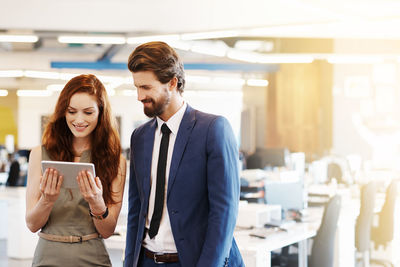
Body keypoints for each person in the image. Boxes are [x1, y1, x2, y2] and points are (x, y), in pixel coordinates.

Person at [124, 41, 244, 267]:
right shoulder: (139, 137)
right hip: (147, 261)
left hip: (192, 261)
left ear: (172, 82)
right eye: (137, 87)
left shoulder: (212, 130)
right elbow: (136, 209)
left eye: (146, 88)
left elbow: (224, 213)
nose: (139, 96)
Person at [25, 74, 127, 267]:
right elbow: (32, 224)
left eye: (88, 112)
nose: (79, 120)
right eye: (72, 111)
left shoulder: (116, 161)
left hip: (93, 257)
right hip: (48, 256)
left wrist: (96, 203)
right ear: (64, 112)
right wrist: (47, 200)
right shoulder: (39, 154)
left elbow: (107, 230)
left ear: (101, 113)